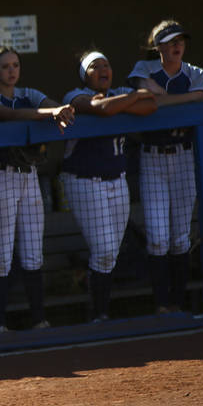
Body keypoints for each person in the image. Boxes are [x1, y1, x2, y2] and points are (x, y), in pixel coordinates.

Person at [61, 51, 157, 321]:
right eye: (95, 66)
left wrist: (130, 98)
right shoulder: (73, 95)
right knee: (103, 250)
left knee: (110, 253)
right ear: (84, 75)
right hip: (84, 181)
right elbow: (102, 109)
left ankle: (100, 310)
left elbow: (151, 104)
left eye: (107, 64)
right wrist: (132, 98)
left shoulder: (120, 91)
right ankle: (99, 314)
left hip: (117, 180)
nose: (103, 69)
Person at [0, 48, 74, 332]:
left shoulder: (30, 92)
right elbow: (10, 114)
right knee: (2, 254)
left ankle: (39, 319)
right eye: (5, 66)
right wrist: (50, 113)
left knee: (34, 251)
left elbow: (52, 104)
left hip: (29, 176)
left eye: (15, 65)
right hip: (1, 176)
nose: (11, 70)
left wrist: (58, 112)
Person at [128, 21, 203, 312]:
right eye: (171, 41)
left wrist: (162, 99)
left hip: (184, 156)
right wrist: (171, 101)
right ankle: (163, 304)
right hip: (153, 157)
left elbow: (199, 97)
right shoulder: (144, 68)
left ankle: (179, 301)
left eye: (181, 41)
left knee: (180, 236)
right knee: (158, 237)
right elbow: (142, 93)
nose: (177, 46)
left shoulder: (195, 72)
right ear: (158, 46)